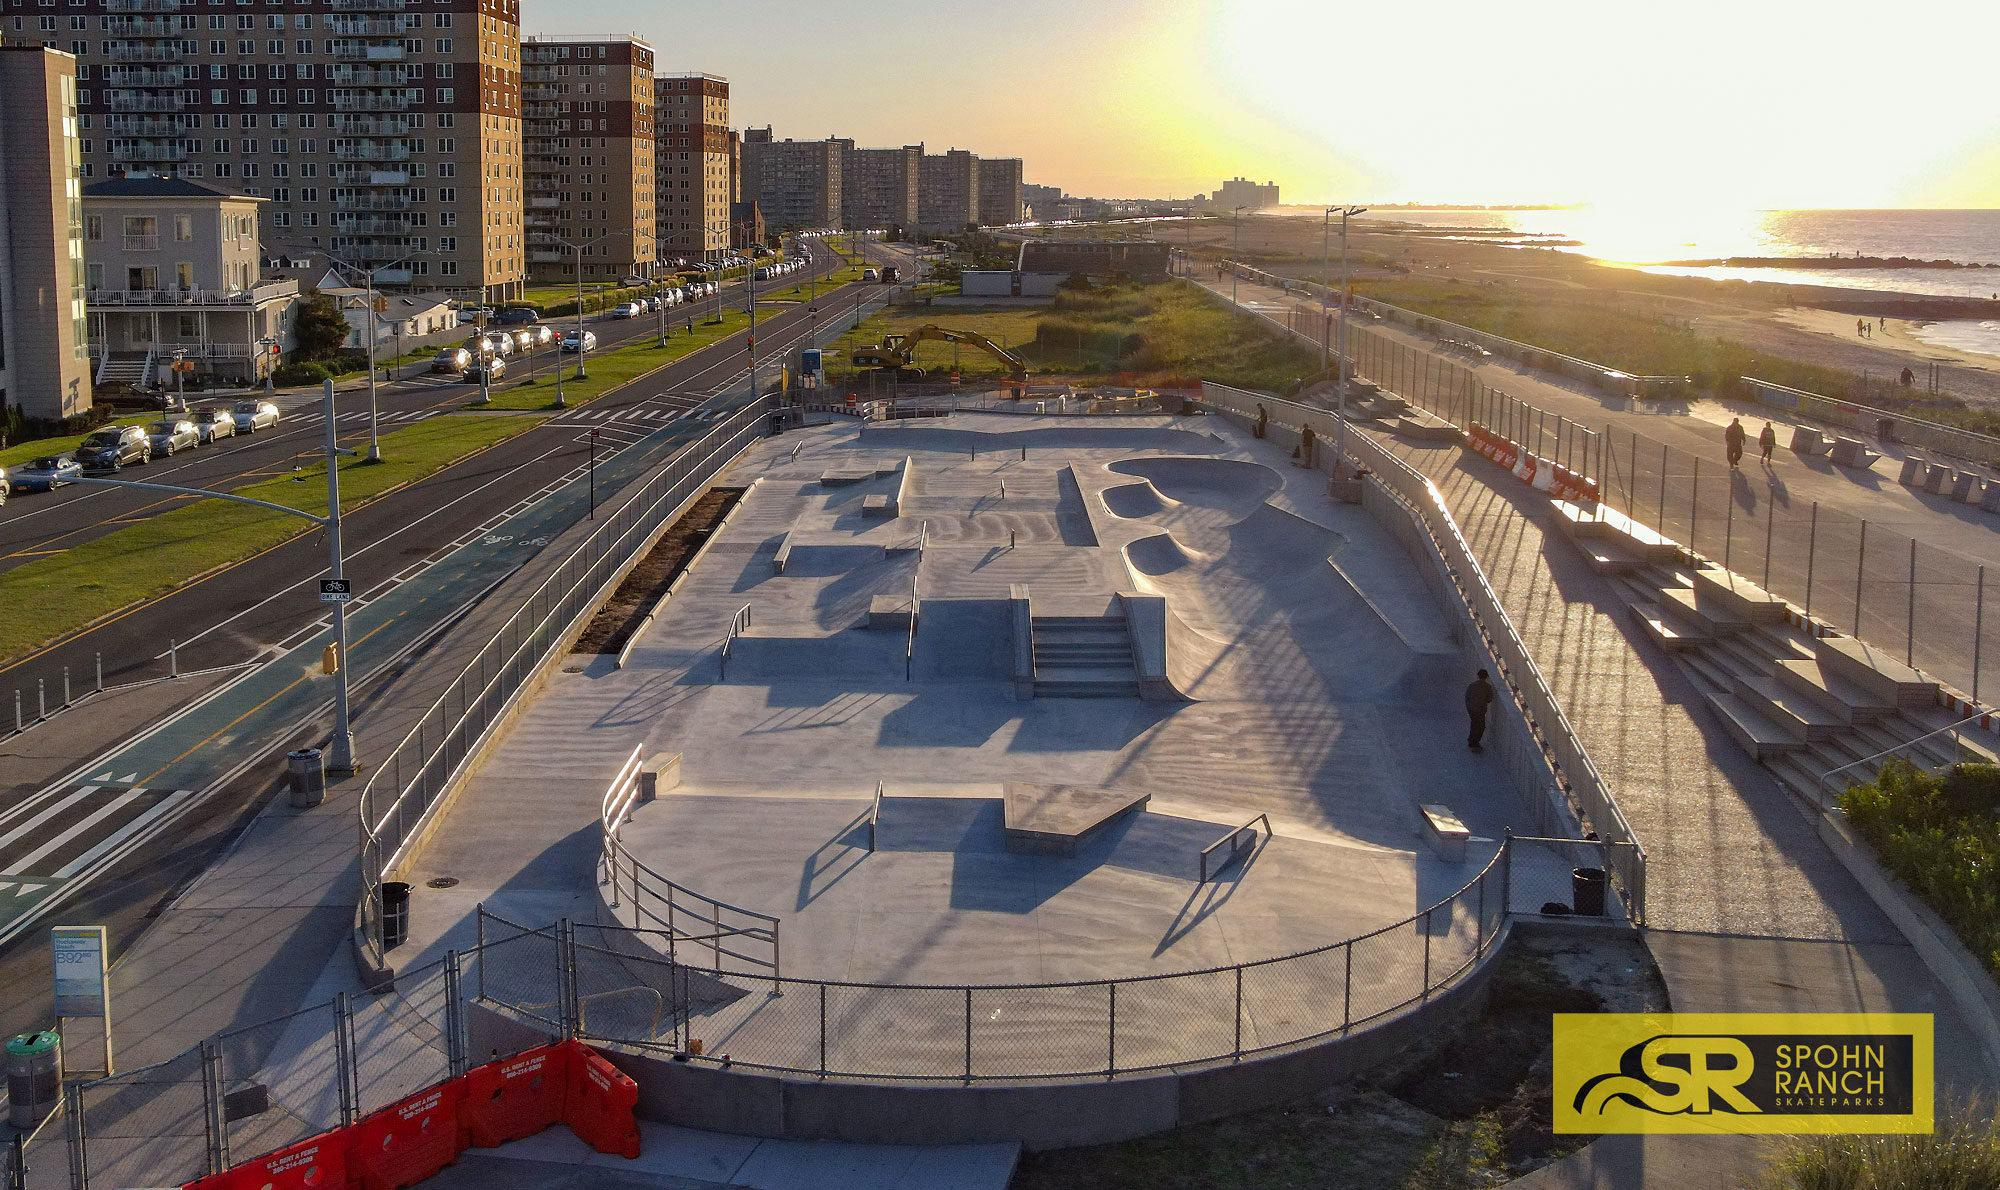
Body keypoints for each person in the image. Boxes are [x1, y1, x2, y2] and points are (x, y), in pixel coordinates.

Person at [1465, 669, 1494, 752]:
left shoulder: (1472, 685)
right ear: (1487, 677)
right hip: (1481, 709)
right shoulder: (1488, 687)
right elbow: (1489, 699)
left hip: (1471, 708)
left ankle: (1472, 740)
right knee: (1481, 726)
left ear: (1478, 676)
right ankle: (1475, 742)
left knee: (1474, 724)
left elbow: (1467, 696)